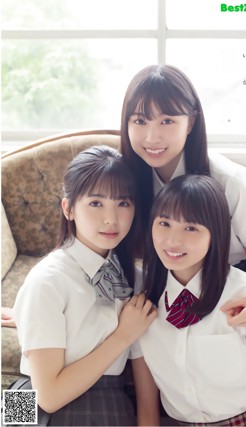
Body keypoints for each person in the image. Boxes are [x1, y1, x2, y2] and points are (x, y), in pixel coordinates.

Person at [120, 64, 246, 334]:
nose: (152, 136)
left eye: (167, 121)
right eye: (140, 121)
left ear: (190, 123)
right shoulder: (125, 180)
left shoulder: (228, 179)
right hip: (202, 273)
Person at [131, 174, 246, 426]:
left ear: (216, 234)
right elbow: (147, 412)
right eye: (164, 223)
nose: (173, 240)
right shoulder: (142, 307)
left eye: (191, 228)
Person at [12, 145, 157, 426]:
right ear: (68, 208)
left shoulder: (135, 279)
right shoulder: (46, 280)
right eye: (96, 203)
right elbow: (49, 396)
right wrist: (122, 337)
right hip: (34, 398)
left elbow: (145, 391)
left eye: (123, 203)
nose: (111, 218)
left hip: (107, 398)